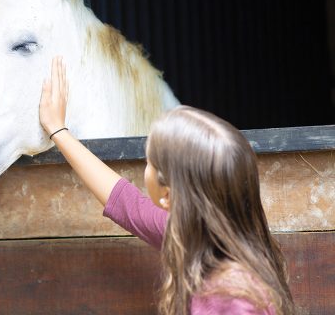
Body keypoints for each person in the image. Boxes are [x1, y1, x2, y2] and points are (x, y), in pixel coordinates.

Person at [39, 56, 295, 315]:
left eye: (150, 162)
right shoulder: (200, 235)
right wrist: (59, 131)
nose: (145, 168)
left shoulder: (230, 295)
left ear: (169, 196)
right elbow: (126, 203)